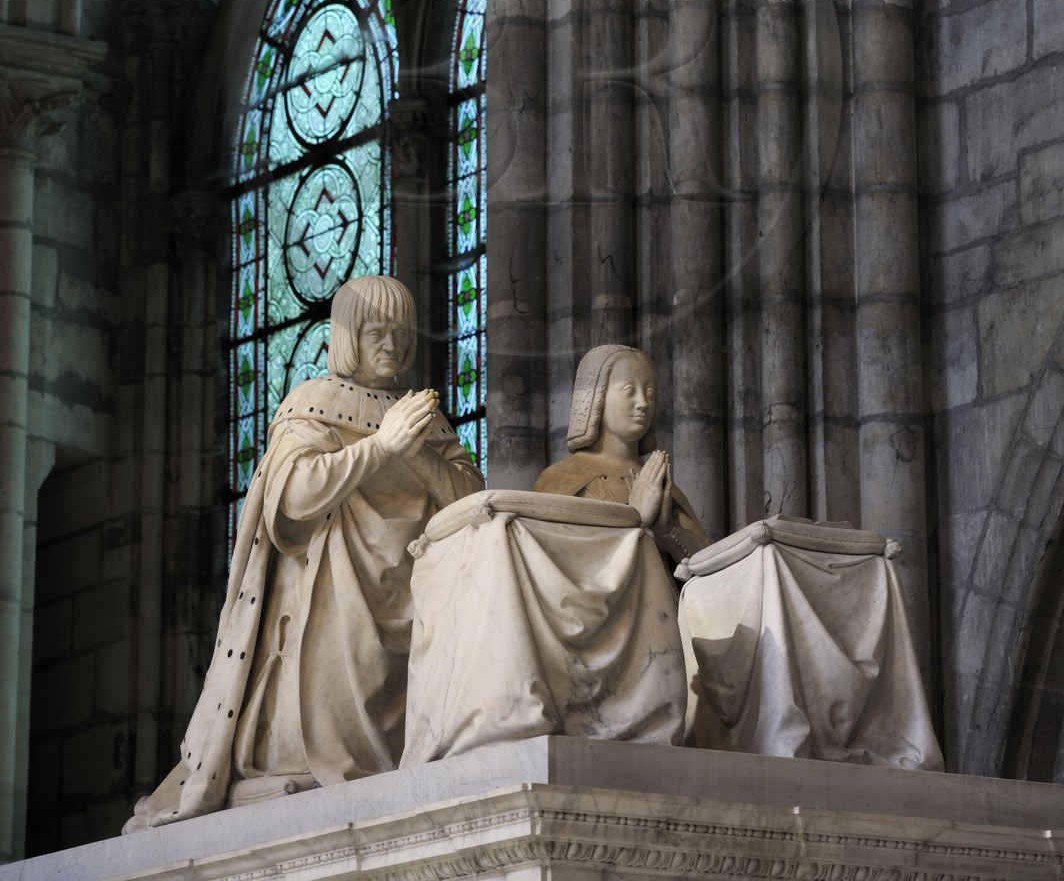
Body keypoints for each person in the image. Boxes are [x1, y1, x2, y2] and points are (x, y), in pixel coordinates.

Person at [125, 274, 483, 830]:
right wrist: (381, 446)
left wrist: (418, 456)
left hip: (413, 592)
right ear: (347, 337)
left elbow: (468, 496)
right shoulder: (316, 401)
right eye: (376, 332)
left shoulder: (425, 417)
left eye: (401, 334)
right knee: (337, 706)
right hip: (335, 589)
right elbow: (293, 493)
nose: (391, 346)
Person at [533, 343, 710, 565]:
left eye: (650, 393)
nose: (643, 403)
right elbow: (550, 563)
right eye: (629, 391)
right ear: (596, 399)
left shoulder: (659, 484)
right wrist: (634, 517)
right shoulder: (560, 479)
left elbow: (710, 569)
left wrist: (667, 529)